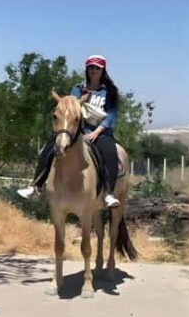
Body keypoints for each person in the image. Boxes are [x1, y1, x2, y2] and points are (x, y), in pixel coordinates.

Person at [17, 54, 121, 208]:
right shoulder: (77, 88)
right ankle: (35, 186)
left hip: (101, 132)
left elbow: (111, 116)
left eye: (97, 68)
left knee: (110, 153)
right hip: (77, 130)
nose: (94, 70)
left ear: (103, 70)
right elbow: (69, 110)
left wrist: (96, 132)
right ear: (87, 69)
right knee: (48, 149)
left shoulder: (109, 91)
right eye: (91, 67)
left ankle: (108, 193)